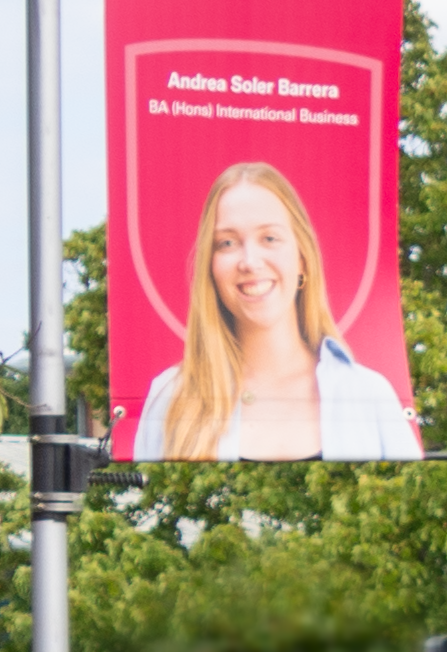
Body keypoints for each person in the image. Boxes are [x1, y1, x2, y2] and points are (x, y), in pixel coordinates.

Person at [125, 158, 424, 461]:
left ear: (303, 259)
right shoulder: (170, 399)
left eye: (269, 238)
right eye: (227, 243)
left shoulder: (368, 396)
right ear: (211, 267)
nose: (250, 261)